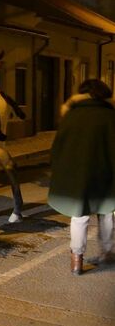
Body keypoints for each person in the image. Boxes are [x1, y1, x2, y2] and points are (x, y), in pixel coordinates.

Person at [48, 79, 115, 275]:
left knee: (79, 216)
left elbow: (58, 147)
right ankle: (107, 253)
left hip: (78, 173)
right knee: (107, 214)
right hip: (105, 173)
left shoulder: (71, 116)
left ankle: (76, 261)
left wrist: (59, 169)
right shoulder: (110, 116)